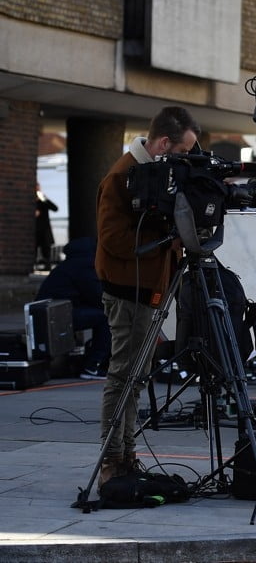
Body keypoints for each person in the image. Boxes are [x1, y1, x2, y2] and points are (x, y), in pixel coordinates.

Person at [95, 106, 200, 487]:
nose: (186, 159)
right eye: (183, 151)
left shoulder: (159, 176)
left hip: (150, 289)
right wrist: (165, 239)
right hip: (127, 292)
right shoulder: (121, 177)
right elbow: (113, 241)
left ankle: (125, 456)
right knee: (123, 375)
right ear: (162, 143)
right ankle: (112, 461)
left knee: (136, 379)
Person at [36, 236, 110, 379]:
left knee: (100, 314)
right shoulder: (85, 265)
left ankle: (93, 360)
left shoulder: (69, 264)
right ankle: (93, 365)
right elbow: (96, 296)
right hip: (56, 317)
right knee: (105, 317)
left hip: (50, 315)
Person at [35, 182, 58, 271]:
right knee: (33, 249)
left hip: (44, 229)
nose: (37, 190)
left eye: (38, 188)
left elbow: (55, 208)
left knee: (46, 249)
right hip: (34, 230)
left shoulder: (43, 200)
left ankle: (47, 266)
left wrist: (44, 198)